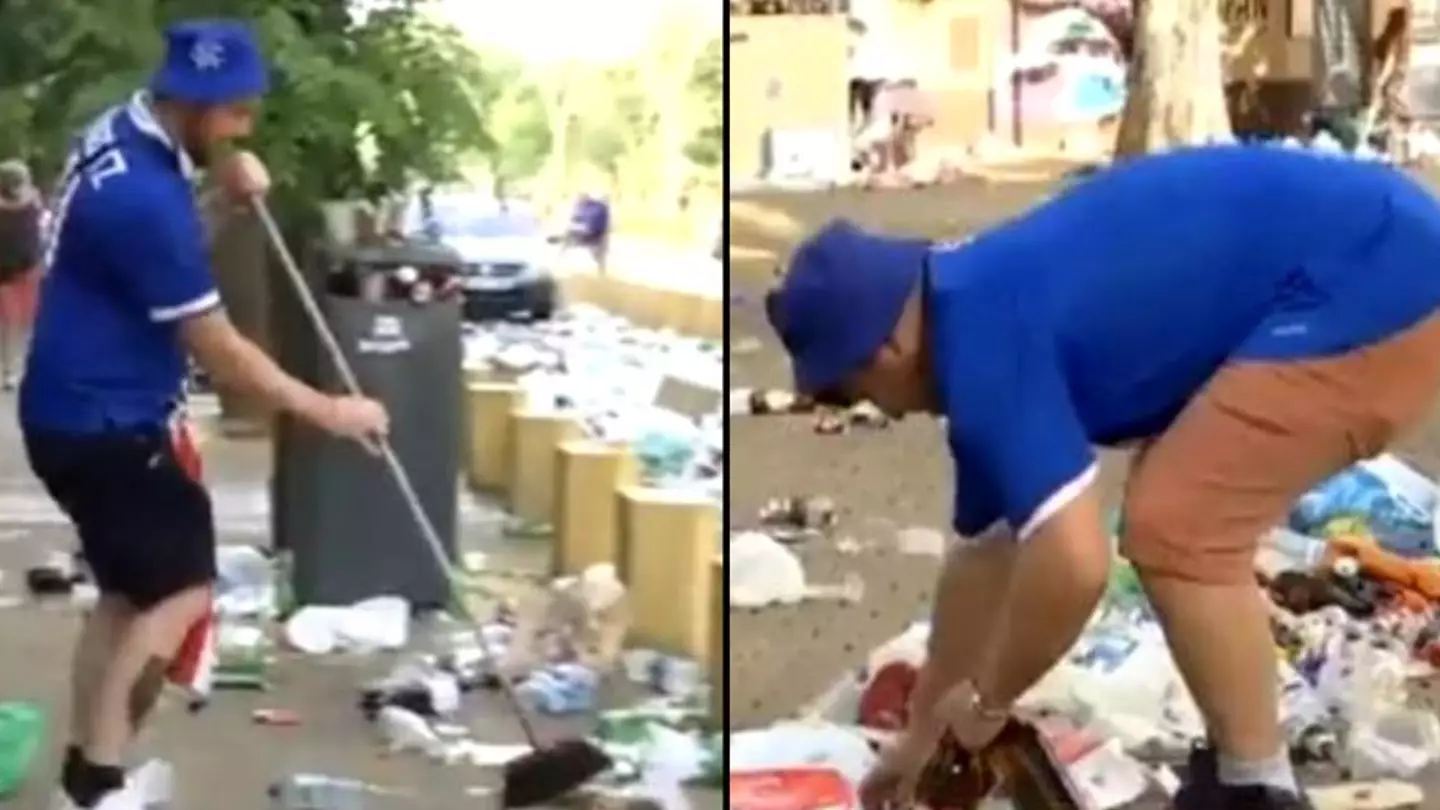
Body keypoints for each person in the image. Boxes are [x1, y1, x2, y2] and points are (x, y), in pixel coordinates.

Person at [763, 144, 1440, 810]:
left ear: (887, 346)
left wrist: (987, 700)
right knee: (1177, 516)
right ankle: (1241, 776)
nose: (876, 411)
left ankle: (1257, 790)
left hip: (1378, 278)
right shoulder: (968, 302)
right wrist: (920, 737)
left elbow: (1074, 567)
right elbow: (985, 561)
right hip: (1368, 250)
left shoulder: (981, 342)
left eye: (852, 393)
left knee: (1179, 527)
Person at [21, 20, 390, 810]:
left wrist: (221, 200)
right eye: (234, 114)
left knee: (128, 596)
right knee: (180, 591)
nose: (243, 128)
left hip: (75, 409)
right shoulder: (143, 200)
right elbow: (220, 349)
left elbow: (166, 258)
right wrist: (330, 409)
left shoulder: (122, 130)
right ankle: (98, 786)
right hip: (107, 425)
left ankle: (86, 775)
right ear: (192, 104)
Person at [0, 159, 43, 388]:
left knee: (12, 324)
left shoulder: (30, 201)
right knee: (22, 323)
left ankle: (11, 371)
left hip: (15, 270)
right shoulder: (33, 201)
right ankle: (15, 370)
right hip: (23, 269)